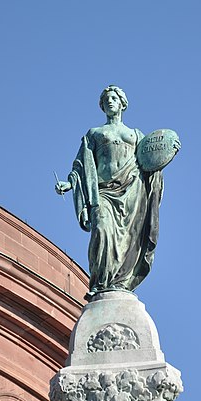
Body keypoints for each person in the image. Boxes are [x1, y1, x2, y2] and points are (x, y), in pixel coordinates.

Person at [55, 85, 164, 298]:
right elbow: (81, 165)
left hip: (132, 190)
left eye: (113, 98)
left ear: (122, 103)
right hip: (103, 192)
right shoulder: (94, 134)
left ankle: (120, 282)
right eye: (106, 100)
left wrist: (166, 156)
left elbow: (151, 162)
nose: (109, 102)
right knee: (102, 230)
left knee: (130, 240)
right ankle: (101, 282)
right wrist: (70, 183)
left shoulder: (135, 135)